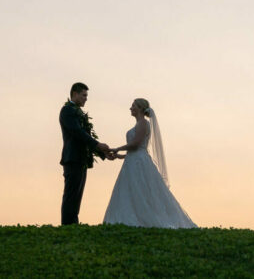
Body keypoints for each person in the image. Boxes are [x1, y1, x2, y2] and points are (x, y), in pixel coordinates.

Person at [102, 98, 196, 228]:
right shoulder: (139, 124)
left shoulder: (143, 124)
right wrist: (121, 156)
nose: (131, 108)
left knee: (141, 189)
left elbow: (136, 144)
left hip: (139, 163)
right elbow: (134, 151)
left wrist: (116, 148)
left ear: (140, 108)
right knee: (132, 190)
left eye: (133, 106)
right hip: (133, 161)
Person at [59, 82, 110, 225]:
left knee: (77, 196)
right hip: (72, 158)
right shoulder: (67, 111)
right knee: (71, 195)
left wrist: (102, 153)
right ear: (74, 93)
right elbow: (78, 133)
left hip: (81, 159)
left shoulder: (78, 112)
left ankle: (73, 224)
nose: (86, 98)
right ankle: (68, 226)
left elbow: (85, 136)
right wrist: (98, 145)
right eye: (84, 95)